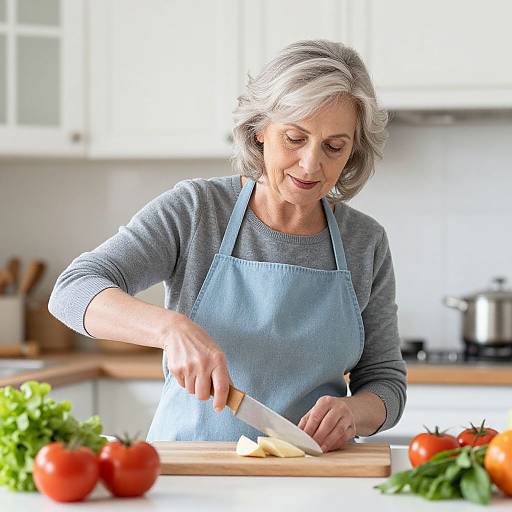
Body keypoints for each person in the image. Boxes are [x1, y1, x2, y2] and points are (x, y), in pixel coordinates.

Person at [49, 39, 406, 453]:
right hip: (188, 469)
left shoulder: (365, 242)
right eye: (295, 138)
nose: (312, 164)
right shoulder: (197, 211)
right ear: (259, 130)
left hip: (310, 476)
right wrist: (171, 329)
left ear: (353, 152)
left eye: (334, 146)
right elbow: (72, 290)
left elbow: (385, 382)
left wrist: (355, 412)